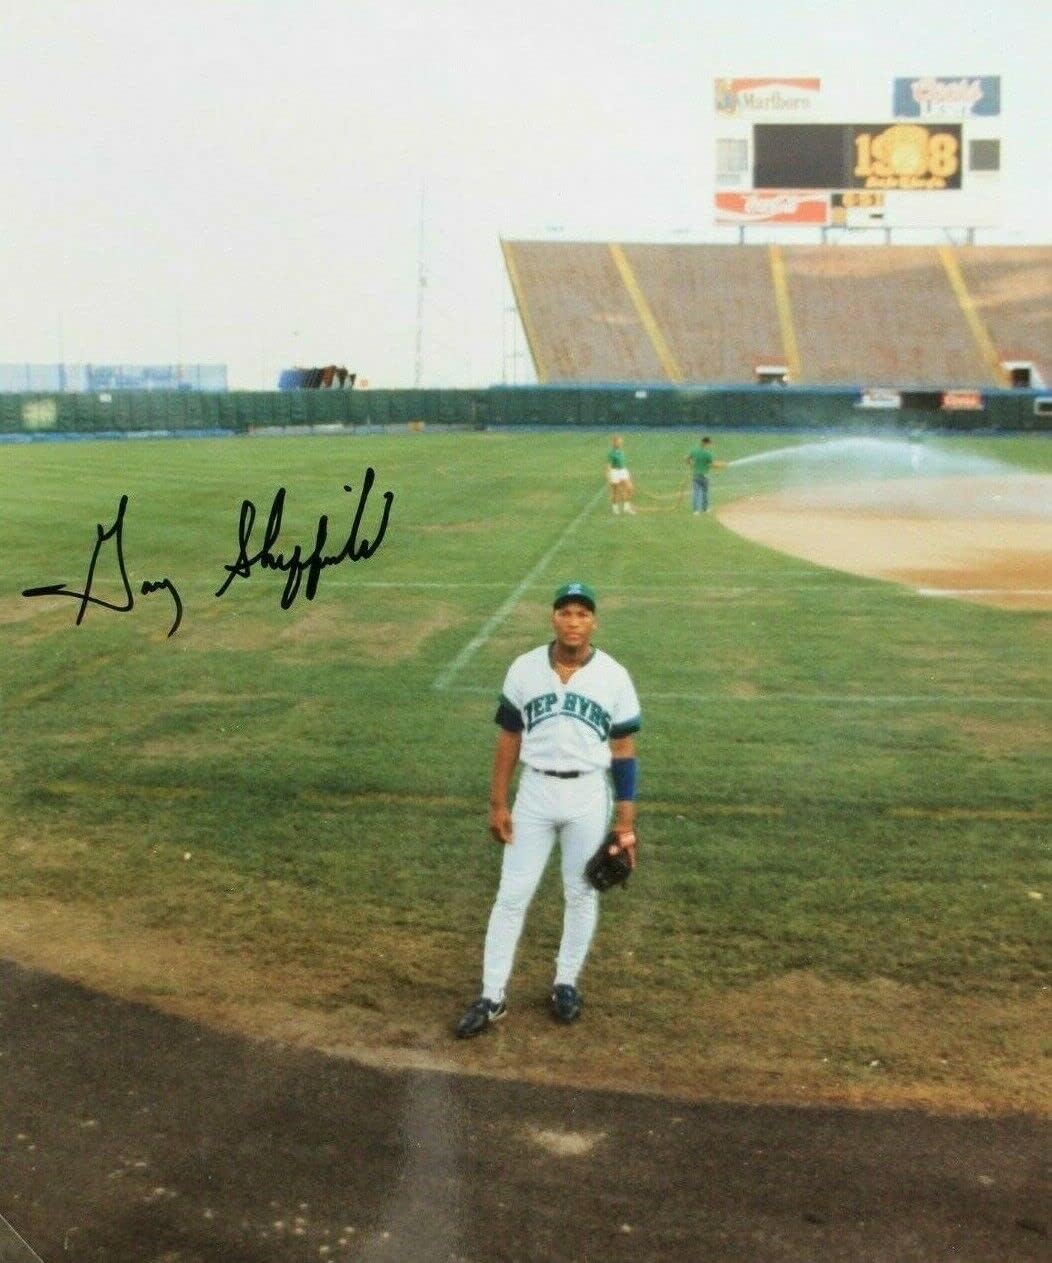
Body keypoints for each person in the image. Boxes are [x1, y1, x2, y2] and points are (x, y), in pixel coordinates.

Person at [455, 581, 642, 1037]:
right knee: (512, 894)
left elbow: (622, 748)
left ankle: (566, 983)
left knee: (581, 892)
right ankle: (492, 995)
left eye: (582, 614)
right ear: (553, 618)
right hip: (535, 792)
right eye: (566, 613)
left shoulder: (614, 675)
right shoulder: (523, 668)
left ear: (593, 622)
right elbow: (509, 739)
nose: (573, 622)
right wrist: (498, 803)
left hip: (587, 795)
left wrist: (625, 823)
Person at [685, 435, 727, 514]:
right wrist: (721, 466)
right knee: (705, 493)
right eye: (709, 444)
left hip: (696, 475)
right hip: (704, 476)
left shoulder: (694, 451)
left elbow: (686, 459)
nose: (709, 445)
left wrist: (691, 465)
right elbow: (712, 465)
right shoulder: (707, 454)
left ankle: (695, 511)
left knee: (696, 493)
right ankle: (705, 509)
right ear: (706, 443)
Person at [607, 435, 636, 515]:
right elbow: (608, 466)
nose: (620, 444)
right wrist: (609, 476)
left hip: (623, 471)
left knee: (630, 488)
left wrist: (627, 472)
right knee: (615, 491)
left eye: (621, 442)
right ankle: (615, 508)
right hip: (615, 472)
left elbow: (622, 463)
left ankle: (626, 507)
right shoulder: (611, 454)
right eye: (618, 442)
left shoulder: (621, 452)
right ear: (614, 443)